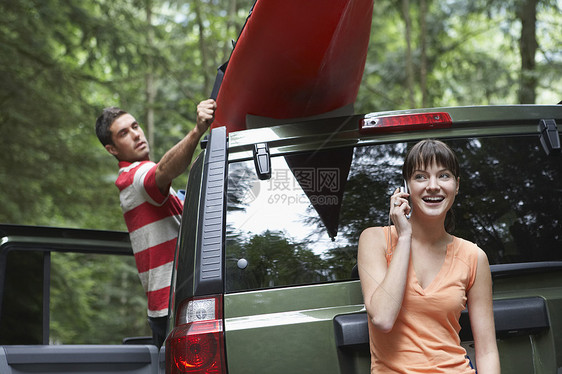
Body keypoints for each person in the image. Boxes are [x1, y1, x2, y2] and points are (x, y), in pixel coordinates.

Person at [357, 139, 500, 373]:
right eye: (421, 176)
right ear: (406, 187)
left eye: (444, 176)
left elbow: (486, 350)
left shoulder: (474, 257)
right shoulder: (375, 239)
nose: (433, 186)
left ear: (457, 185)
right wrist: (404, 237)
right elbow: (383, 318)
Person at [95, 99, 216, 348]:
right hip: (174, 306)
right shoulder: (135, 177)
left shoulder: (145, 182)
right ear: (112, 149)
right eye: (123, 133)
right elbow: (162, 171)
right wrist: (197, 131)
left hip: (170, 307)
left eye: (135, 126)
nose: (136, 135)